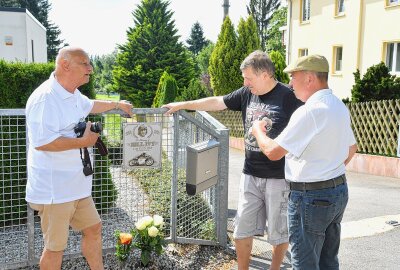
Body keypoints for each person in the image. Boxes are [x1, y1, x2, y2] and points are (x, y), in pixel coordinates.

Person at [163, 50, 303, 270]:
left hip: (280, 177)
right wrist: (183, 104)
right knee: (241, 232)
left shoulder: (289, 97)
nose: (245, 82)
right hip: (250, 174)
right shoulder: (247, 93)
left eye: (249, 78)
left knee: (278, 233)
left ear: (265, 74)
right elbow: (218, 101)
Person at [25, 46, 133, 270]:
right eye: (84, 63)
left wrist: (116, 104)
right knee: (55, 247)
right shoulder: (45, 99)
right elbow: (42, 142)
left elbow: (91, 104)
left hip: (77, 187)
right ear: (65, 65)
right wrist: (83, 142)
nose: (90, 69)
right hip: (56, 191)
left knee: (94, 229)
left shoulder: (73, 94)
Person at [251, 54, 357, 270]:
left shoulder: (310, 111)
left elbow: (273, 152)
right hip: (336, 191)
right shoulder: (338, 106)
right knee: (328, 261)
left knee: (305, 264)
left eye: (293, 77)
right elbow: (351, 148)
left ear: (309, 78)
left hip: (310, 197)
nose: (290, 84)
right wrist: (326, 171)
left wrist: (257, 132)